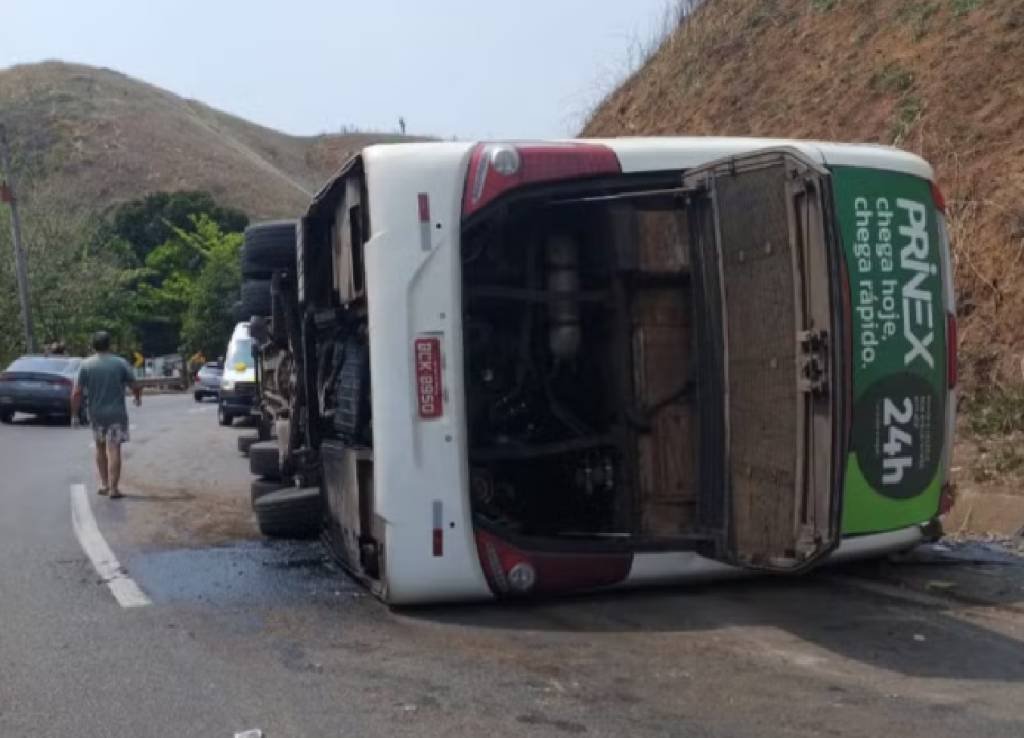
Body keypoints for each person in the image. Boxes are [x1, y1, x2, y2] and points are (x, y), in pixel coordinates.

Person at [71, 331, 142, 499]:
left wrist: (74, 415)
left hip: (96, 413)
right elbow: (135, 385)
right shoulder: (120, 363)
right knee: (114, 448)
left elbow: (76, 392)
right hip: (117, 413)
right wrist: (137, 398)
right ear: (109, 345)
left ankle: (103, 483)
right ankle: (114, 488)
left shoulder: (86, 365)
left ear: (93, 346)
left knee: (100, 446)